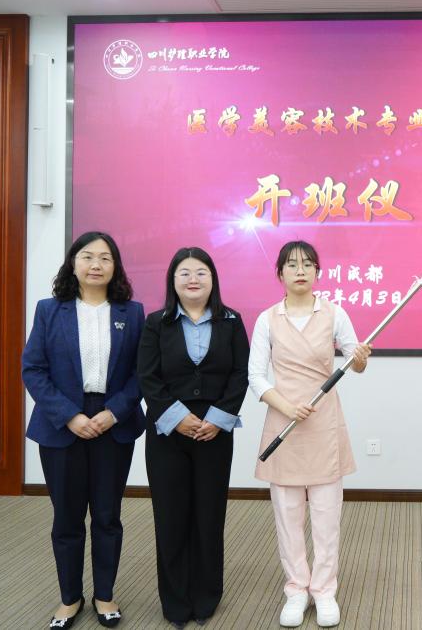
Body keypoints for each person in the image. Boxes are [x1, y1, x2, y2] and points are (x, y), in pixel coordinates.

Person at [22, 231, 145, 629]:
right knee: (67, 517)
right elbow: (33, 369)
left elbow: (143, 373)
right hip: (62, 425)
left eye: (105, 258)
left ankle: (104, 594)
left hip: (113, 422)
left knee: (107, 515)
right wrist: (70, 416)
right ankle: (70, 598)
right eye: (88, 256)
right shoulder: (49, 310)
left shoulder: (132, 312)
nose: (96, 265)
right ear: (73, 263)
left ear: (115, 266)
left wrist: (115, 412)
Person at [250, 240, 372, 628]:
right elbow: (255, 376)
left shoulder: (334, 314)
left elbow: (355, 362)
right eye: (291, 264)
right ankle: (296, 590)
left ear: (318, 271)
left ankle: (324, 590)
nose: (300, 270)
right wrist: (286, 407)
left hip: (322, 424)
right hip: (284, 424)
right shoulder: (267, 319)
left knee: (326, 516)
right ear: (280, 274)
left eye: (307, 264)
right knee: (287, 516)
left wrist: (361, 358)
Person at [137, 247, 249, 627]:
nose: (193, 279)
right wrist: (177, 418)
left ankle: (206, 596)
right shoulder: (156, 323)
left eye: (201, 272)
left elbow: (240, 374)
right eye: (184, 273)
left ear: (212, 279)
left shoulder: (231, 321)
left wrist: (217, 419)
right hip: (167, 433)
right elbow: (148, 377)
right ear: (173, 281)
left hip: (215, 433)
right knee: (170, 518)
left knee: (209, 516)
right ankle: (175, 600)